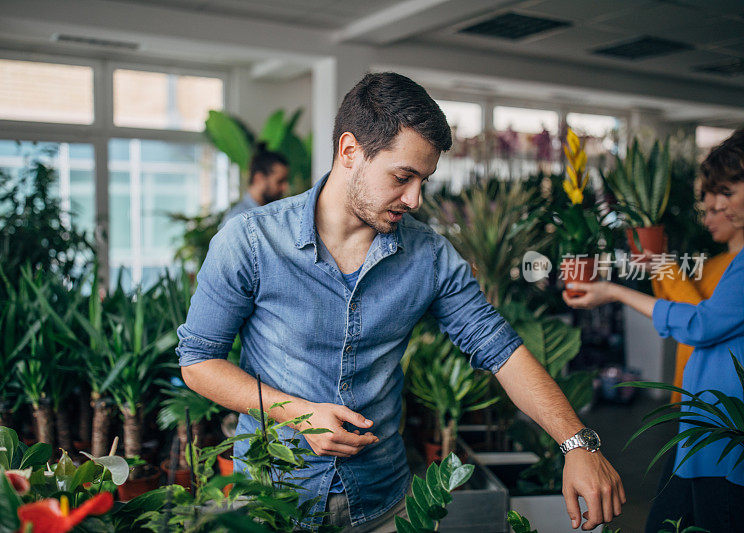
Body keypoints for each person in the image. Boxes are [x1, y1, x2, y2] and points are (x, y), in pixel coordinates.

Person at [178, 72, 624, 532]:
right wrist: (296, 413)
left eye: (424, 180)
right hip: (273, 505)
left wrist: (579, 444)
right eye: (402, 177)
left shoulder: (429, 257)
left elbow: (500, 350)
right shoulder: (250, 242)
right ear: (349, 151)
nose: (415, 198)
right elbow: (197, 362)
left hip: (383, 504)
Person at [564, 129, 744, 532]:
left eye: (726, 194)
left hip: (722, 431)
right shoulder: (726, 262)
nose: (713, 208)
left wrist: (616, 291)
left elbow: (696, 322)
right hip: (706, 422)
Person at [651, 191, 744, 403]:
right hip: (694, 378)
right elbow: (672, 303)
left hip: (718, 392)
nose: (707, 220)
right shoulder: (712, 264)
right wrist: (657, 265)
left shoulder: (738, 268)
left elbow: (697, 316)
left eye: (714, 211)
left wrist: (665, 265)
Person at [219, 143, 290, 228]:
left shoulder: (270, 214)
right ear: (259, 179)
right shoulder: (238, 220)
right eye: (279, 181)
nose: (285, 187)